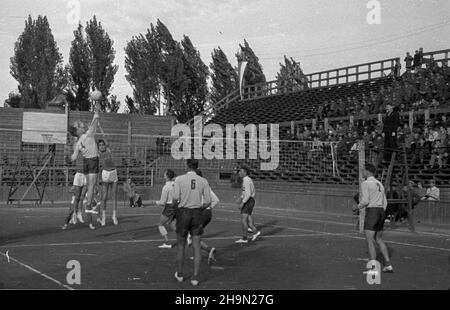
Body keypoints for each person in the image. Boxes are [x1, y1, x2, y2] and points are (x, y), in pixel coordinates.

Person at [172, 159, 211, 286]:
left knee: (181, 245)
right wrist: (200, 209)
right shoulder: (203, 181)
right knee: (196, 246)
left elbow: (175, 198)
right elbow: (208, 201)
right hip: (197, 213)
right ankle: (195, 277)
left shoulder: (179, 179)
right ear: (197, 166)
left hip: (183, 212)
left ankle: (180, 274)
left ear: (187, 165)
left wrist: (177, 209)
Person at [354, 163, 393, 273]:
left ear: (367, 171)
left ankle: (373, 268)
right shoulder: (379, 183)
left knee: (369, 241)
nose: (361, 173)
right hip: (381, 211)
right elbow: (385, 201)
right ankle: (388, 264)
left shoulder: (366, 183)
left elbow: (365, 200)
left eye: (363, 171)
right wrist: (381, 211)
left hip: (372, 212)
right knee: (379, 239)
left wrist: (357, 207)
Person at [69, 111, 101, 230]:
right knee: (92, 186)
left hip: (86, 163)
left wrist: (70, 157)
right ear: (78, 130)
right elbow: (93, 125)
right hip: (93, 161)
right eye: (80, 125)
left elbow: (73, 157)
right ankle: (88, 205)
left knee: (90, 185)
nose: (83, 125)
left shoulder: (77, 143)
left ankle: (89, 203)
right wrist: (96, 115)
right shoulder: (87, 135)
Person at [62, 140, 86, 230]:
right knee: (71, 210)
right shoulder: (76, 154)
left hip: (85, 178)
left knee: (85, 200)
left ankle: (78, 214)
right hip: (77, 195)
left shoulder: (87, 155)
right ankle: (66, 223)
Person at [235, 166, 261, 244]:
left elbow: (248, 193)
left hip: (248, 201)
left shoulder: (246, 180)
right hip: (250, 200)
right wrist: (241, 197)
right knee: (248, 219)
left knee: (244, 219)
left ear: (245, 173)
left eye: (241, 171)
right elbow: (246, 192)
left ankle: (244, 238)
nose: (239, 173)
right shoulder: (246, 180)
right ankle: (255, 232)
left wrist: (243, 202)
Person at [152, 169, 176, 249]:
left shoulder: (166, 187)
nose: (164, 174)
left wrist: (155, 202)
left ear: (167, 176)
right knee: (173, 226)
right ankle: (187, 236)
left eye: (165, 173)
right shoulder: (175, 184)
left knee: (160, 224)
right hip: (176, 206)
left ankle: (167, 242)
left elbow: (162, 202)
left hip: (169, 207)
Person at [98, 139, 119, 226]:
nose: (102, 146)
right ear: (98, 147)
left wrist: (106, 142)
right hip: (105, 174)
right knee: (104, 196)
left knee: (114, 195)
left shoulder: (109, 150)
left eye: (103, 144)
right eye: (100, 145)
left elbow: (107, 142)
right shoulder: (98, 154)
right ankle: (103, 217)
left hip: (113, 173)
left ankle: (114, 216)